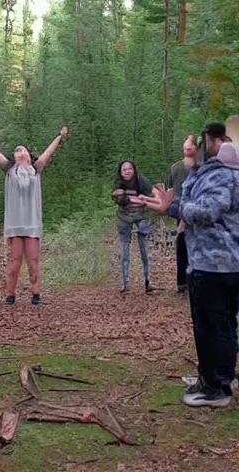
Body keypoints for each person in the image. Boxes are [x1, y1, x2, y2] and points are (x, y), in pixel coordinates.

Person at [143, 121, 239, 408]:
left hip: (214, 265)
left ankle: (215, 389)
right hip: (223, 264)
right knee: (223, 325)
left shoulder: (222, 175)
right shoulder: (222, 174)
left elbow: (208, 210)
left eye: (205, 141)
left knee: (211, 326)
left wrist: (172, 207)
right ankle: (217, 377)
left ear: (213, 140)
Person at [0, 125, 68, 305]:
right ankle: (10, 293)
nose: (20, 153)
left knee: (33, 260)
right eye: (17, 151)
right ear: (14, 158)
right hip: (15, 224)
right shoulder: (9, 170)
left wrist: (59, 136)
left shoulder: (36, 169)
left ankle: (36, 292)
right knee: (14, 261)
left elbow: (48, 152)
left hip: (31, 223)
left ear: (30, 157)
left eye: (23, 151)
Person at [111, 161, 153, 294]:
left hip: (141, 215)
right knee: (124, 251)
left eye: (129, 169)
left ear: (134, 170)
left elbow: (151, 196)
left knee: (144, 250)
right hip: (124, 217)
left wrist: (142, 200)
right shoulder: (118, 184)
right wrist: (122, 200)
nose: (127, 171)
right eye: (124, 169)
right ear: (120, 172)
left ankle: (147, 281)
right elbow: (114, 197)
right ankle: (124, 284)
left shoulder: (142, 181)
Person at [166, 135, 198, 294]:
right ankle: (186, 283)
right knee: (187, 245)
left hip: (185, 209)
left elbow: (169, 192)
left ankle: (184, 283)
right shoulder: (197, 166)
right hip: (189, 209)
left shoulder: (178, 167)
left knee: (183, 245)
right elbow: (170, 191)